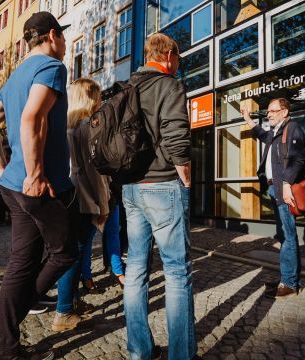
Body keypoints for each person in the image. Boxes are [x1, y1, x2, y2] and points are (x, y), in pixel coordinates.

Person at [0, 12, 77, 360]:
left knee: (22, 261)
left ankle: (4, 341)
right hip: (38, 187)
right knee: (65, 252)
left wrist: (4, 170)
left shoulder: (17, 74)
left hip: (14, 185)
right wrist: (34, 173)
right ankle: (7, 328)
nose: (64, 46)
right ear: (52, 35)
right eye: (63, 39)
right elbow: (34, 117)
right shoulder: (51, 67)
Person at [120, 33, 195, 360]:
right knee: (177, 272)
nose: (178, 66)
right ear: (167, 55)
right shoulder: (170, 85)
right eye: (177, 59)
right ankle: (182, 354)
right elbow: (178, 137)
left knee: (135, 268)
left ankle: (139, 350)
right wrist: (187, 181)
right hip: (164, 185)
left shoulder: (127, 88)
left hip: (132, 188)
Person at [53, 78, 112, 331]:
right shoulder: (88, 126)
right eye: (98, 97)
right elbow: (94, 172)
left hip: (67, 196)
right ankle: (64, 311)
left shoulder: (64, 126)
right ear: (90, 98)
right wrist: (103, 205)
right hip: (84, 198)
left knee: (72, 252)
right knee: (74, 254)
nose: (101, 102)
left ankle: (71, 302)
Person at [242, 98, 305, 299]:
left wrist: (287, 184)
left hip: (284, 190)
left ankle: (289, 282)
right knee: (283, 235)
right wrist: (247, 118)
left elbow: (298, 160)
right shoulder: (274, 133)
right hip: (274, 189)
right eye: (267, 111)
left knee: (288, 236)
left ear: (284, 112)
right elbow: (260, 133)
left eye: (273, 111)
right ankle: (286, 277)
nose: (268, 114)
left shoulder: (293, 128)